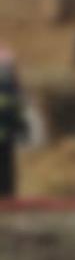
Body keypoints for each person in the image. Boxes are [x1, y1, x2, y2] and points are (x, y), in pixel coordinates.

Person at [0, 48, 19, 198]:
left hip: (7, 135)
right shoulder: (11, 85)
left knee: (6, 168)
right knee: (6, 169)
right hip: (7, 135)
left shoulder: (11, 86)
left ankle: (7, 196)